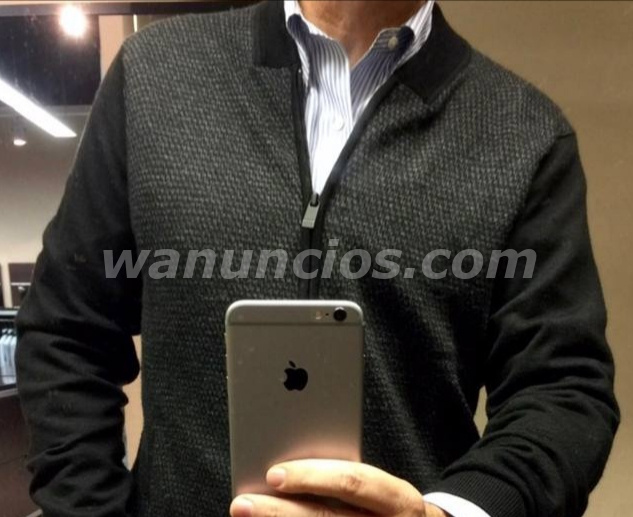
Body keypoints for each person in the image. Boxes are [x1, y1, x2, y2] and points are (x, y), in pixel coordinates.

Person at [16, 1, 620, 517]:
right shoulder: (154, 74)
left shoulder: (525, 136)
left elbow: (562, 392)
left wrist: (447, 513)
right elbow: (67, 332)